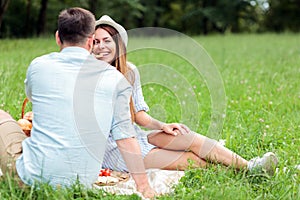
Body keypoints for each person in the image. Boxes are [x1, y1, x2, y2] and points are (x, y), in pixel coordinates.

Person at [92, 15, 279, 176]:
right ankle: (239, 174)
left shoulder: (129, 72)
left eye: (107, 40)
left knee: (189, 138)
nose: (101, 47)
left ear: (118, 44)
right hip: (114, 150)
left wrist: (163, 125)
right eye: (96, 42)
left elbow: (138, 114)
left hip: (136, 136)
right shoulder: (88, 76)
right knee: (191, 160)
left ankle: (251, 167)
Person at [0, 8, 156, 198]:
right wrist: (144, 187)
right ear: (91, 41)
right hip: (81, 183)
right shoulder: (116, 79)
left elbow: (33, 97)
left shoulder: (38, 66)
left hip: (32, 180)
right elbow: (126, 137)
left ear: (58, 37)